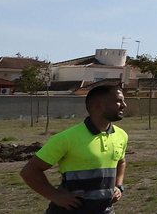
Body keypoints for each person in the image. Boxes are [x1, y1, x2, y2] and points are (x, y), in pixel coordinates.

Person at [21, 84, 129, 213]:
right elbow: (30, 170)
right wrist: (56, 196)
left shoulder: (121, 135)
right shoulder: (67, 138)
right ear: (98, 106)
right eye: (118, 101)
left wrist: (118, 186)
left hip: (105, 210)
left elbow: (121, 161)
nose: (124, 105)